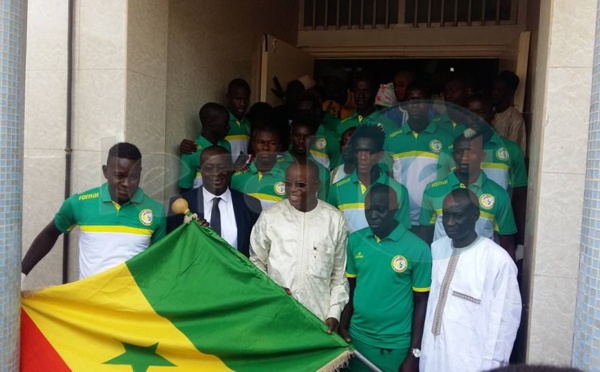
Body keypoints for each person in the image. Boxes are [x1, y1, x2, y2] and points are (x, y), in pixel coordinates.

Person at [21, 143, 166, 281]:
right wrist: (21, 274)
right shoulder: (80, 203)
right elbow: (50, 233)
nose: (126, 183)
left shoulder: (156, 211)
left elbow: (160, 260)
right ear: (105, 171)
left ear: (140, 173)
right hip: (90, 302)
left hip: (133, 302)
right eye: (119, 176)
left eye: (133, 177)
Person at [420, 189, 521, 371]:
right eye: (446, 216)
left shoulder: (497, 260)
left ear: (476, 215)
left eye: (457, 216)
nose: (450, 223)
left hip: (471, 362)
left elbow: (505, 323)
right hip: (432, 357)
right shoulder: (436, 249)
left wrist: (493, 366)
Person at [340, 184, 431, 372]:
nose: (373, 215)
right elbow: (351, 289)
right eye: (368, 210)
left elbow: (421, 303)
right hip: (357, 340)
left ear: (395, 209)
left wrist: (414, 353)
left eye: (380, 210)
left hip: (394, 346)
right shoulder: (356, 241)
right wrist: (343, 327)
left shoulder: (418, 248)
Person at [249, 161, 349, 332]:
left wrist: (334, 314)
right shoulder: (270, 217)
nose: (292, 189)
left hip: (318, 318)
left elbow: (339, 275)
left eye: (300, 184)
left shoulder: (334, 220)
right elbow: (256, 262)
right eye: (288, 184)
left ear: (317, 185)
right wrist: (271, 289)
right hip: (276, 313)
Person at [419, 134, 517, 258]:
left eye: (471, 152)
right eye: (459, 152)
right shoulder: (433, 190)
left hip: (481, 270)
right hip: (442, 266)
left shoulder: (499, 195)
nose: (464, 157)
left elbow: (507, 244)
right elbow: (424, 237)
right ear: (453, 155)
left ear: (482, 156)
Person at [166, 146, 262, 257]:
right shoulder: (181, 203)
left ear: (231, 169)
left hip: (236, 273)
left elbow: (256, 251)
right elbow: (172, 248)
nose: (216, 173)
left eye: (222, 167)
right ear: (200, 169)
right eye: (209, 167)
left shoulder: (250, 204)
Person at [384, 81, 454, 227]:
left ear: (429, 103)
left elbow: (451, 178)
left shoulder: (446, 139)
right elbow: (387, 178)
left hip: (434, 216)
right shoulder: (391, 139)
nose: (415, 104)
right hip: (400, 217)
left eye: (420, 100)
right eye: (410, 100)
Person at [466, 94, 528, 245]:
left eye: (480, 112)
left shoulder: (511, 150)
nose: (474, 117)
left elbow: (519, 197)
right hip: (463, 227)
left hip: (499, 230)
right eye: (469, 113)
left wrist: (519, 241)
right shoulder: (453, 148)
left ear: (492, 114)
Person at [328, 125, 411, 233]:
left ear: (380, 155)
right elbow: (331, 231)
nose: (363, 157)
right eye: (358, 151)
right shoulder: (337, 190)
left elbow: (402, 233)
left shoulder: (399, 191)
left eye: (370, 152)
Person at [230, 125, 287, 209]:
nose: (266, 147)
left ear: (279, 147)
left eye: (272, 143)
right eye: (261, 142)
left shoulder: (288, 177)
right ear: (253, 144)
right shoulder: (238, 176)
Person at [178, 103, 231, 192]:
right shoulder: (191, 151)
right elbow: (184, 188)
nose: (229, 127)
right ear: (210, 122)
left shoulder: (226, 145)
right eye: (225, 123)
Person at [281, 120, 331, 200]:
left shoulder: (322, 172)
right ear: (290, 137)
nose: (301, 140)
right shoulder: (277, 165)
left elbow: (322, 206)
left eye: (307, 137)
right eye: (297, 136)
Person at [295, 92, 341, 170]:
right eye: (301, 112)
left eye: (308, 111)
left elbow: (336, 174)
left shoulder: (331, 140)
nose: (304, 116)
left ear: (317, 111)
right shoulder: (295, 138)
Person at [491, 70, 527, 152]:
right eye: (493, 89)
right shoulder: (488, 112)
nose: (494, 93)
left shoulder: (515, 118)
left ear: (510, 92)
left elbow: (512, 149)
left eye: (499, 90)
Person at [430, 73, 472, 138]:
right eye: (445, 92)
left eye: (453, 90)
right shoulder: (435, 123)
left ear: (467, 92)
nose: (447, 96)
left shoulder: (475, 122)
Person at [224, 78, 252, 162]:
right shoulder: (221, 120)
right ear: (228, 97)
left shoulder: (248, 123)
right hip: (225, 172)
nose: (242, 103)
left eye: (245, 99)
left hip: (242, 172)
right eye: (238, 99)